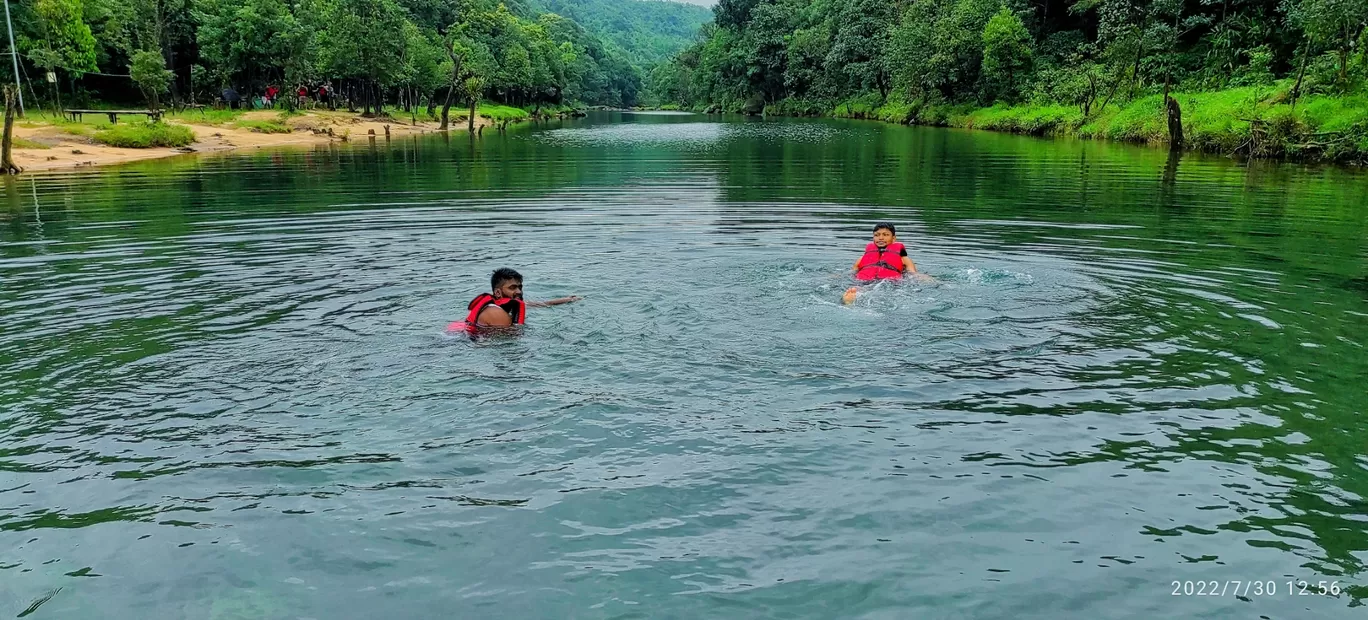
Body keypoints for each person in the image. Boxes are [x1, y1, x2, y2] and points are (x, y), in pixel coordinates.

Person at [449, 268, 581, 331]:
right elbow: (510, 342)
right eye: (512, 288)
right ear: (498, 292)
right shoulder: (496, 313)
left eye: (520, 287)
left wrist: (568, 299)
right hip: (457, 344)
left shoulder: (506, 305)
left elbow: (543, 304)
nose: (519, 291)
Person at [842, 223, 920, 304]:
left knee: (864, 290)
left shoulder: (904, 259)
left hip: (890, 284)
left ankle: (853, 299)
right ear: (873, 238)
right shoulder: (861, 259)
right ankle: (851, 299)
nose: (881, 238)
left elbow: (913, 275)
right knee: (862, 289)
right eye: (877, 235)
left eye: (885, 235)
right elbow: (851, 273)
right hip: (872, 283)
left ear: (894, 238)